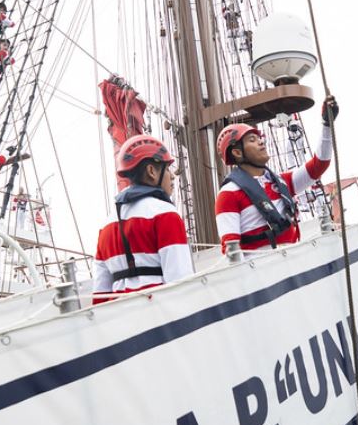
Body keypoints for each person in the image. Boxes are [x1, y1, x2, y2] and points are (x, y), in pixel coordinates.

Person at [213, 96, 337, 252]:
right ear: (237, 152)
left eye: (260, 138)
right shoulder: (228, 194)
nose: (261, 142)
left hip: (294, 260)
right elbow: (231, 251)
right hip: (263, 270)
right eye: (252, 140)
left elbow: (319, 165)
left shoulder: (282, 182)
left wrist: (327, 124)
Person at [92, 135, 193, 303]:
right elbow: (181, 282)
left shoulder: (106, 225)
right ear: (152, 172)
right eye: (167, 169)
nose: (172, 176)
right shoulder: (165, 214)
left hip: (121, 321)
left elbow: (99, 297)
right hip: (161, 316)